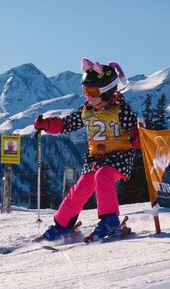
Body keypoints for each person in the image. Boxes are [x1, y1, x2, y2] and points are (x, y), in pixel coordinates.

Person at [33, 57, 140, 241]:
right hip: (96, 159)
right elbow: (67, 124)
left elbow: (135, 131)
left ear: (107, 92)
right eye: (85, 90)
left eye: (92, 91)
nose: (87, 96)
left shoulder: (121, 110)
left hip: (119, 157)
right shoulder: (86, 110)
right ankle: (62, 226)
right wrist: (47, 125)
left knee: (103, 176)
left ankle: (110, 222)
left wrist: (136, 138)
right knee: (80, 189)